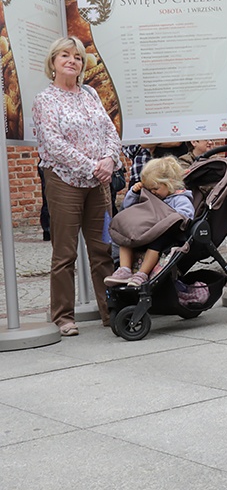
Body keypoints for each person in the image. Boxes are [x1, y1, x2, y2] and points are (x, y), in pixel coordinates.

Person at [33, 36, 120, 336]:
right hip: (65, 182)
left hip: (98, 183)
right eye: (65, 56)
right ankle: (63, 316)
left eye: (78, 57)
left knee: (103, 250)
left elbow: (111, 130)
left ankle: (112, 311)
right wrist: (92, 166)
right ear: (53, 62)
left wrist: (109, 159)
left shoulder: (90, 95)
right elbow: (53, 144)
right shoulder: (45, 100)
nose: (72, 61)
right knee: (65, 253)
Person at [104, 156, 195, 287]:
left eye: (156, 188)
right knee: (126, 237)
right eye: (149, 189)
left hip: (166, 235)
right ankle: (124, 270)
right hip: (147, 231)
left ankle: (142, 273)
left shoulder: (180, 199)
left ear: (169, 183)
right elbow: (127, 207)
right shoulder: (150, 195)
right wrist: (134, 193)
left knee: (156, 244)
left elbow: (186, 216)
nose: (153, 192)